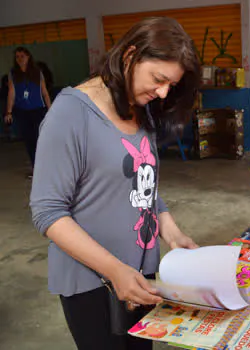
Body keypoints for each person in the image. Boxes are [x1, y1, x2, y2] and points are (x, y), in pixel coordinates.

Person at [30, 17, 200, 350]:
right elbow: (48, 211)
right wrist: (114, 270)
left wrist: (172, 232)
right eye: (158, 79)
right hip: (94, 282)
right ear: (129, 56)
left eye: (171, 85)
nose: (163, 91)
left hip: (140, 273)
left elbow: (141, 182)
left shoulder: (141, 107)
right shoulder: (70, 114)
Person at [4, 47, 52, 175]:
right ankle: (36, 168)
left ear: (28, 57)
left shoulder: (37, 72)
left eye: (22, 56)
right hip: (22, 112)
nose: (19, 59)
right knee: (29, 140)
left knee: (39, 139)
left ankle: (46, 166)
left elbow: (44, 92)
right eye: (17, 57)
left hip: (38, 110)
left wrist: (51, 109)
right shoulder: (13, 73)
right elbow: (11, 93)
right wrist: (8, 112)